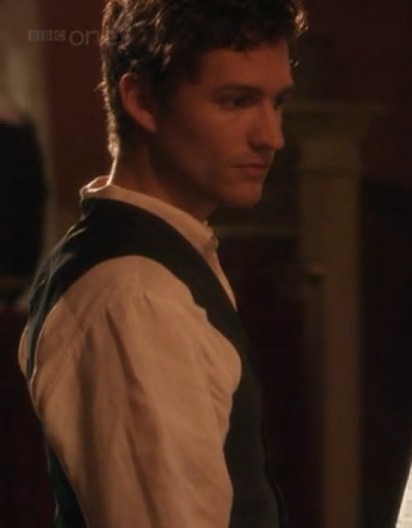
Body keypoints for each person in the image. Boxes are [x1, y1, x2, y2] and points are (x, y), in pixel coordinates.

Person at [18, 1, 306, 526]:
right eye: (237, 101)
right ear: (143, 100)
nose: (271, 137)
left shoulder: (162, 264)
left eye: (277, 102)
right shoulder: (136, 296)